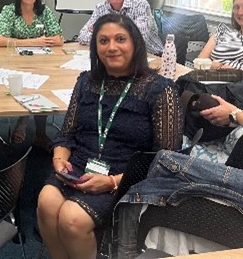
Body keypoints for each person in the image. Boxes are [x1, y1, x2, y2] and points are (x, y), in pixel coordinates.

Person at [37, 14, 183, 259]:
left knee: (72, 219)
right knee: (46, 202)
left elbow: (166, 161)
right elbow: (66, 135)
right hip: (78, 168)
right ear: (95, 47)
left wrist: (113, 181)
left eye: (120, 39)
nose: (111, 47)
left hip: (127, 176)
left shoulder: (159, 90)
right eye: (103, 41)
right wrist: (59, 160)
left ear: (135, 43)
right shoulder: (86, 82)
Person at [0, 0, 63, 150]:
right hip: (13, 61)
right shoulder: (10, 10)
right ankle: (23, 120)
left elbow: (59, 38)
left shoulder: (44, 12)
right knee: (22, 86)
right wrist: (35, 41)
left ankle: (39, 132)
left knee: (44, 87)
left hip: (41, 61)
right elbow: (0, 40)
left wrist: (21, 41)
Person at [77, 0, 163, 55]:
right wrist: (124, 33)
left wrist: (101, 33)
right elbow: (82, 37)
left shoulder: (140, 5)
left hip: (150, 55)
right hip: (119, 56)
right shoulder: (100, 8)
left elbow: (139, 39)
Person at [197, 0, 243, 70]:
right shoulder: (222, 32)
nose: (240, 12)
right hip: (208, 78)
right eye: (236, 7)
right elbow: (200, 62)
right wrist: (219, 67)